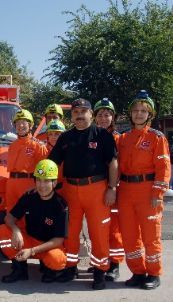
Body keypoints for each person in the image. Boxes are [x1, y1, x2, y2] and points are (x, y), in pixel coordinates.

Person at [48, 98, 118, 290]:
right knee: (70, 232)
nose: (79, 115)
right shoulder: (65, 137)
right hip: (71, 190)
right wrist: (47, 184)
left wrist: (112, 188)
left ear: (90, 114)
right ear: (72, 116)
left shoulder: (102, 135)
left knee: (99, 233)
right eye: (76, 112)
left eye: (83, 111)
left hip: (97, 189)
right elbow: (52, 162)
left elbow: (113, 163)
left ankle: (100, 271)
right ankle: (71, 267)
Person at [117, 90, 171, 290]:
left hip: (148, 191)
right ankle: (138, 272)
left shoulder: (157, 138)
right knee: (130, 235)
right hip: (126, 191)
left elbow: (164, 167)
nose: (139, 114)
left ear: (150, 115)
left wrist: (158, 193)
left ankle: (154, 273)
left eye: (143, 111)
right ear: (130, 114)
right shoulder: (123, 138)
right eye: (135, 110)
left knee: (151, 235)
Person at [0, 159, 68, 283]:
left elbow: (58, 240)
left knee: (56, 259)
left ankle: (49, 269)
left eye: (46, 181)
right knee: (2, 230)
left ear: (54, 183)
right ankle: (19, 269)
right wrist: (15, 230)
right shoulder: (29, 196)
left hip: (48, 246)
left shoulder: (60, 205)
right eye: (39, 180)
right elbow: (8, 218)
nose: (42, 185)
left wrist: (32, 251)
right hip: (29, 241)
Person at [92, 98, 124, 281]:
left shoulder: (119, 139)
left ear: (113, 117)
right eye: (100, 115)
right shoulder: (92, 137)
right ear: (95, 118)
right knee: (98, 228)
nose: (104, 118)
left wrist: (113, 187)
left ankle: (114, 264)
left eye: (107, 115)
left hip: (113, 188)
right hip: (96, 188)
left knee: (113, 229)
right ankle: (100, 262)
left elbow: (120, 166)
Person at [6, 109, 48, 212]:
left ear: (30, 125)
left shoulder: (38, 146)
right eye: (18, 123)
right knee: (10, 212)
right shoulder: (12, 146)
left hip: (28, 183)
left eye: (24, 123)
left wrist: (39, 186)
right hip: (11, 183)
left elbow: (44, 170)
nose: (20, 126)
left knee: (27, 214)